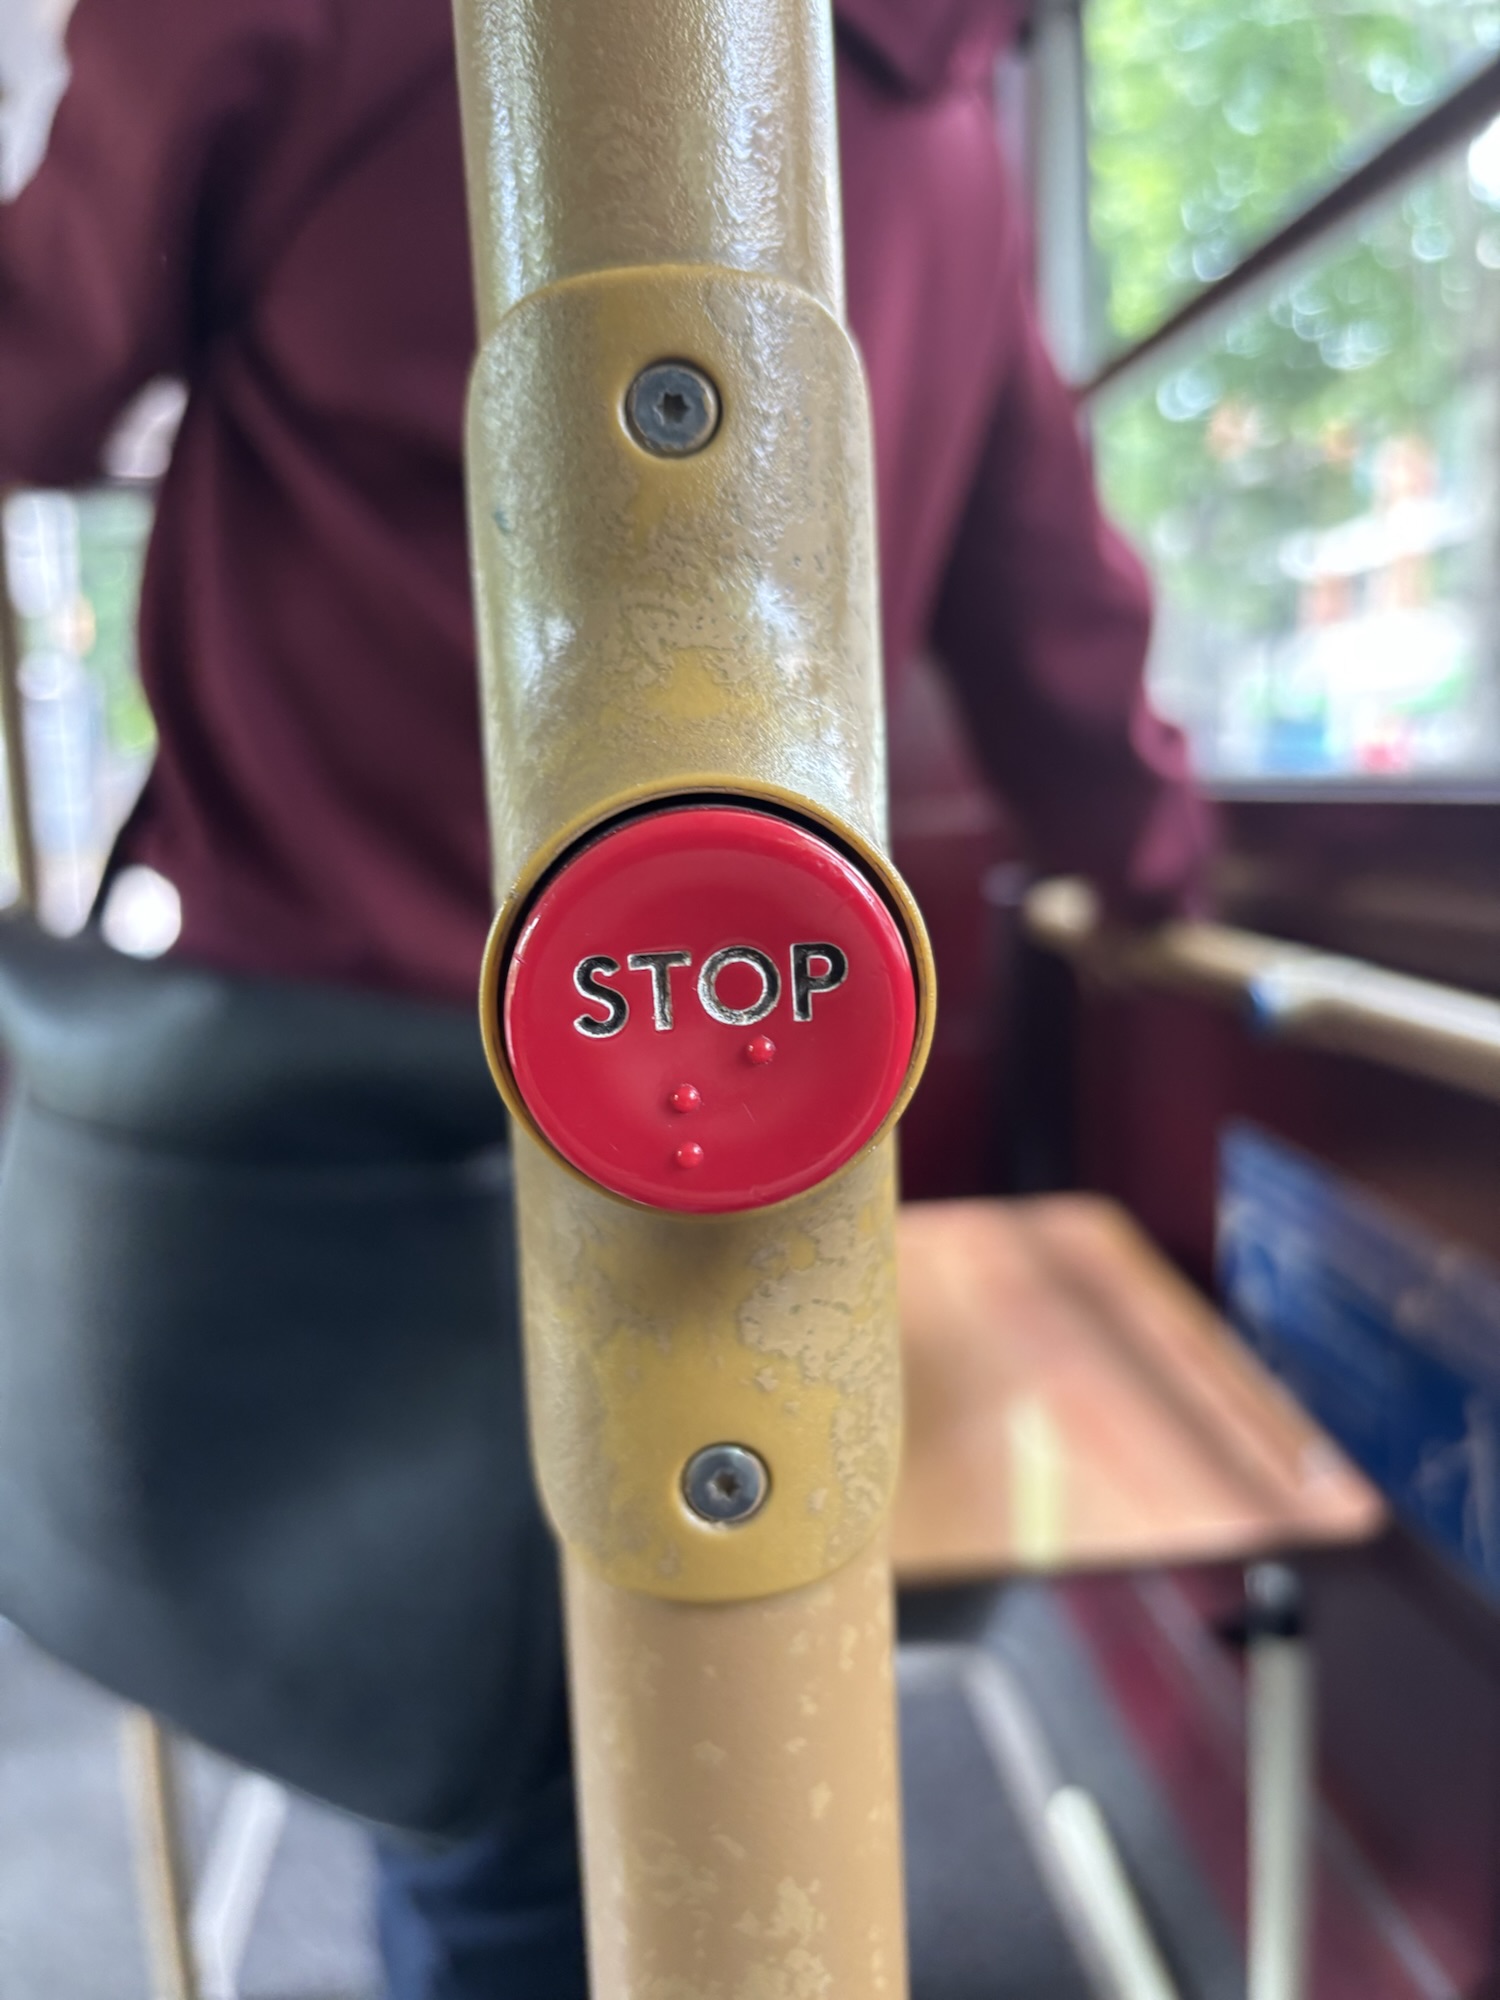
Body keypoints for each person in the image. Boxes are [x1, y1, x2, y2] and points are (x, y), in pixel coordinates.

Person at [0, 0, 1213, 1992]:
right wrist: (1161, 869)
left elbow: (40, 366)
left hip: (332, 1071)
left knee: (467, 1766)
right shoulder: (946, 130)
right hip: (741, 1088)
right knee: (624, 1730)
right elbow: (1046, 600)